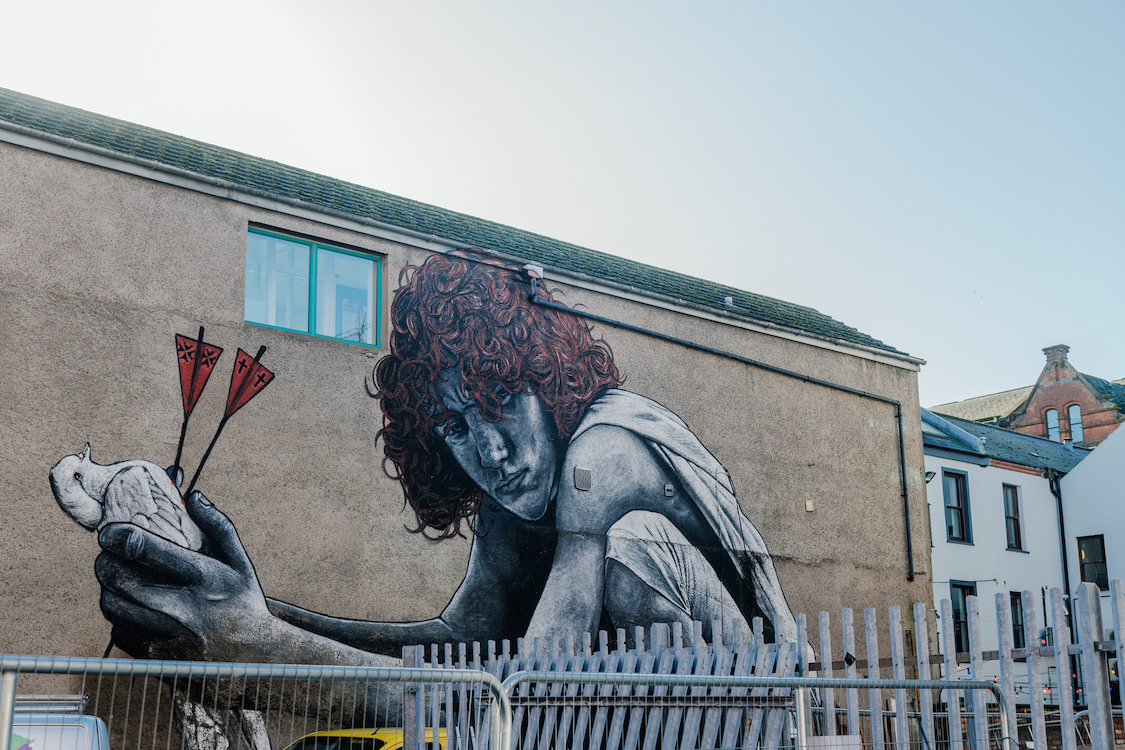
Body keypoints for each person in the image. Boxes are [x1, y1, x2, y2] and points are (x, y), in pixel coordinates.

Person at [95, 252, 796, 666]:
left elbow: (537, 688)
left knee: (633, 545)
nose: (490, 452)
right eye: (457, 428)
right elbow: (457, 644)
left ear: (547, 383)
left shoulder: (601, 458)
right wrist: (259, 613)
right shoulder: (515, 503)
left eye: (501, 403)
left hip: (752, 711)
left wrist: (265, 646)